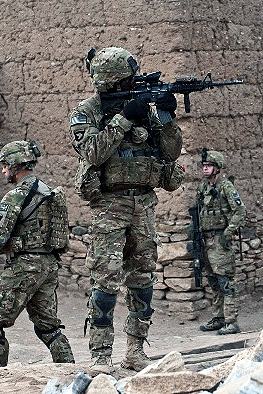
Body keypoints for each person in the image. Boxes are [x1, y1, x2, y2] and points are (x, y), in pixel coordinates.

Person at [69, 47, 183, 372]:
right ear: (114, 83)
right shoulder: (87, 112)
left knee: (143, 278)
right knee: (105, 282)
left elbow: (172, 151)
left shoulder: (144, 111)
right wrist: (124, 117)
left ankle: (135, 350)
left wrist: (167, 117)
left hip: (144, 203)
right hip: (110, 205)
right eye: (129, 80)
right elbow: (92, 152)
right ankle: (101, 357)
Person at [0, 140, 74, 367]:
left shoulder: (15, 197)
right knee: (48, 328)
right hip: (48, 265)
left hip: (25, 266)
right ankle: (72, 372)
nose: (3, 170)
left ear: (15, 165)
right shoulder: (47, 191)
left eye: (5, 165)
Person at [194, 148, 246, 335]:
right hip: (205, 241)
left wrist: (228, 233)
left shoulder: (226, 187)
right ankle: (218, 318)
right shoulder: (203, 188)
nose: (205, 169)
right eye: (204, 166)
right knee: (214, 282)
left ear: (218, 168)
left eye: (209, 166)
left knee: (225, 282)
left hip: (219, 241)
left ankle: (231, 322)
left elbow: (240, 211)